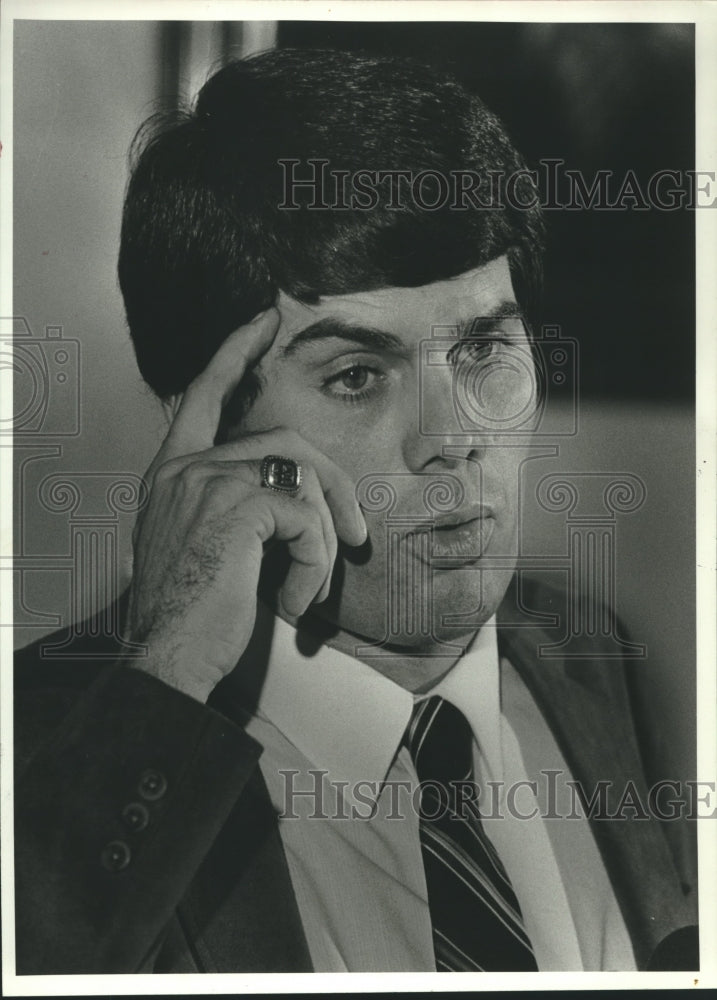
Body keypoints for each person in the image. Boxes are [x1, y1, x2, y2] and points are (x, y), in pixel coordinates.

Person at [14, 48, 697, 975]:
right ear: (205, 423)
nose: (452, 438)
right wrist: (167, 672)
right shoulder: (53, 747)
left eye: (483, 349)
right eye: (357, 376)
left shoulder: (597, 668)